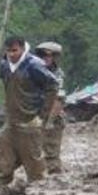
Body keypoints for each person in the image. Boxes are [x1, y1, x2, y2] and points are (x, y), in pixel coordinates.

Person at [0, 37, 58, 195]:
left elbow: (53, 85)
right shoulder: (4, 66)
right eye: (8, 51)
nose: (11, 54)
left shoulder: (34, 65)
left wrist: (42, 115)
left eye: (14, 50)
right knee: (3, 159)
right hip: (11, 121)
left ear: (22, 49)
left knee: (35, 163)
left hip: (30, 121)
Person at [34, 41, 66, 174]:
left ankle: (53, 175)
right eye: (43, 55)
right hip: (33, 113)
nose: (46, 58)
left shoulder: (57, 75)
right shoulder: (32, 71)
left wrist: (50, 121)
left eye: (50, 55)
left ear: (54, 58)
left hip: (51, 113)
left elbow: (58, 99)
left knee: (51, 152)